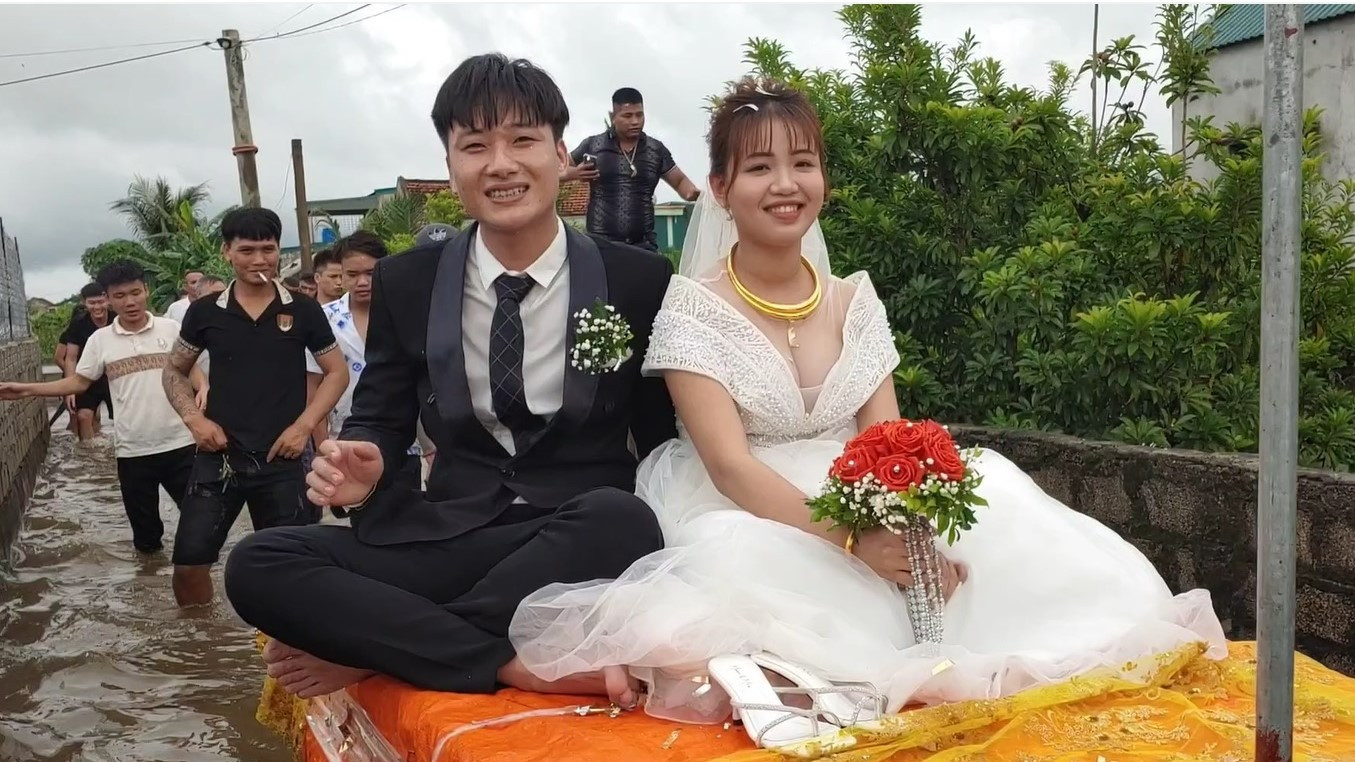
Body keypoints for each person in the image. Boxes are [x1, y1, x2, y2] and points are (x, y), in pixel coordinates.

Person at [507, 78, 1236, 744]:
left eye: (803, 163)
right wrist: (854, 540)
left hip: (860, 489)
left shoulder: (854, 300)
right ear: (721, 189)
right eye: (759, 167)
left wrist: (912, 529)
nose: (785, 184)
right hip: (749, 507)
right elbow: (729, 466)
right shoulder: (692, 309)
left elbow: (888, 438)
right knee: (755, 577)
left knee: (1002, 512)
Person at [222, 53, 676, 703]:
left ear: (560, 154)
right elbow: (379, 414)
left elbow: (661, 439)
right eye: (475, 146)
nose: (501, 164)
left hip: (577, 538)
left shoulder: (638, 278)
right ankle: (501, 661)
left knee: (623, 516)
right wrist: (367, 460)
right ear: (450, 166)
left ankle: (390, 649)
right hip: (448, 532)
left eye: (522, 140)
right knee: (257, 563)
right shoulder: (409, 280)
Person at [162, 207, 349, 607]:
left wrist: (303, 427)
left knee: (290, 565)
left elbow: (336, 372)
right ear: (227, 252)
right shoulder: (206, 311)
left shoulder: (302, 310)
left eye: (268, 249)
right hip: (219, 456)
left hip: (284, 457)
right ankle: (202, 641)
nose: (260, 260)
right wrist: (194, 420)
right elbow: (174, 370)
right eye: (247, 250)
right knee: (189, 564)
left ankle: (281, 637)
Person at [1, 260, 206, 554]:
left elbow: (192, 368)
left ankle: (193, 577)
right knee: (146, 540)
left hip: (182, 446)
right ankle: (151, 578)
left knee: (201, 525)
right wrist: (26, 389)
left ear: (146, 290)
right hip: (133, 452)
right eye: (119, 296)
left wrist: (204, 388)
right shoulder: (100, 340)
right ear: (108, 299)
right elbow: (78, 382)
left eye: (135, 292)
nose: (130, 302)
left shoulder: (171, 328)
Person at [303, 231, 425, 493]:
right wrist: (322, 446)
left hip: (405, 442)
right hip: (344, 442)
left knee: (407, 510)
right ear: (341, 274)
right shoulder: (323, 319)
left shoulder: (408, 315)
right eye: (352, 274)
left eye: (371, 273)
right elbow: (312, 387)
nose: (362, 282)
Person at [561, 87, 700, 252]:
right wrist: (574, 173)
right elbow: (555, 170)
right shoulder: (594, 145)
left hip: (643, 245)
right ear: (613, 117)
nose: (635, 121)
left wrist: (697, 194)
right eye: (627, 116)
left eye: (639, 115)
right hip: (601, 245)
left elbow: (680, 181)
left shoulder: (655, 149)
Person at [61, 283, 115, 440]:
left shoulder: (117, 319)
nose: (97, 307)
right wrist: (70, 389)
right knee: (83, 416)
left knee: (123, 417)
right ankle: (88, 451)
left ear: (107, 300)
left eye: (100, 302)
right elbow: (70, 358)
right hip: (88, 376)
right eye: (92, 303)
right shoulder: (78, 324)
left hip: (114, 375)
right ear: (84, 302)